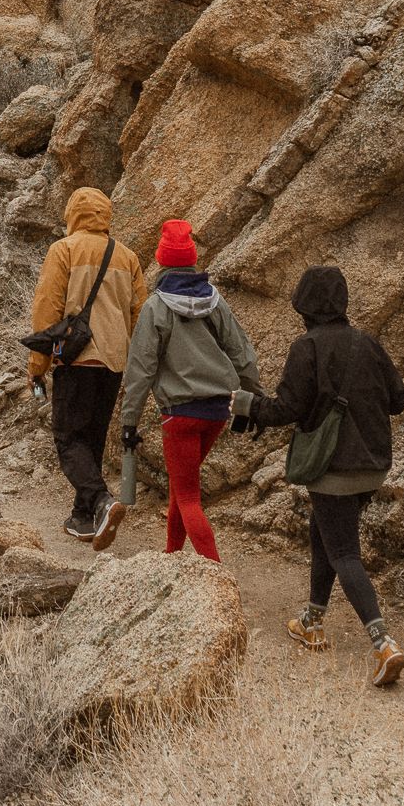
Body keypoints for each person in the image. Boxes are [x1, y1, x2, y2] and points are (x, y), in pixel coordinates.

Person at [234, 265, 404, 688]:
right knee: (324, 533)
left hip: (333, 467)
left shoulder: (306, 347)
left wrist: (247, 405)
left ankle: (384, 644)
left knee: (344, 552)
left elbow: (287, 410)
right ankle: (311, 621)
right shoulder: (368, 343)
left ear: (304, 305)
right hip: (373, 465)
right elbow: (399, 400)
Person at [116, 220, 265, 558]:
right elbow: (242, 353)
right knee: (181, 487)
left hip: (180, 413)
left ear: (163, 260)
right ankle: (172, 558)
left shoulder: (156, 307)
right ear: (192, 259)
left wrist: (129, 421)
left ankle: (212, 573)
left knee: (187, 497)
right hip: (218, 411)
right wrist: (254, 400)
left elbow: (141, 370)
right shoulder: (215, 300)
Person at [26, 186, 143, 545]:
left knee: (67, 438)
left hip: (76, 357)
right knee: (90, 438)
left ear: (73, 214)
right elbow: (139, 312)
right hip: (114, 360)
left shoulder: (64, 250)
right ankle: (84, 517)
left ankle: (102, 501)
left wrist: (37, 365)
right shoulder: (127, 256)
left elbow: (47, 309)